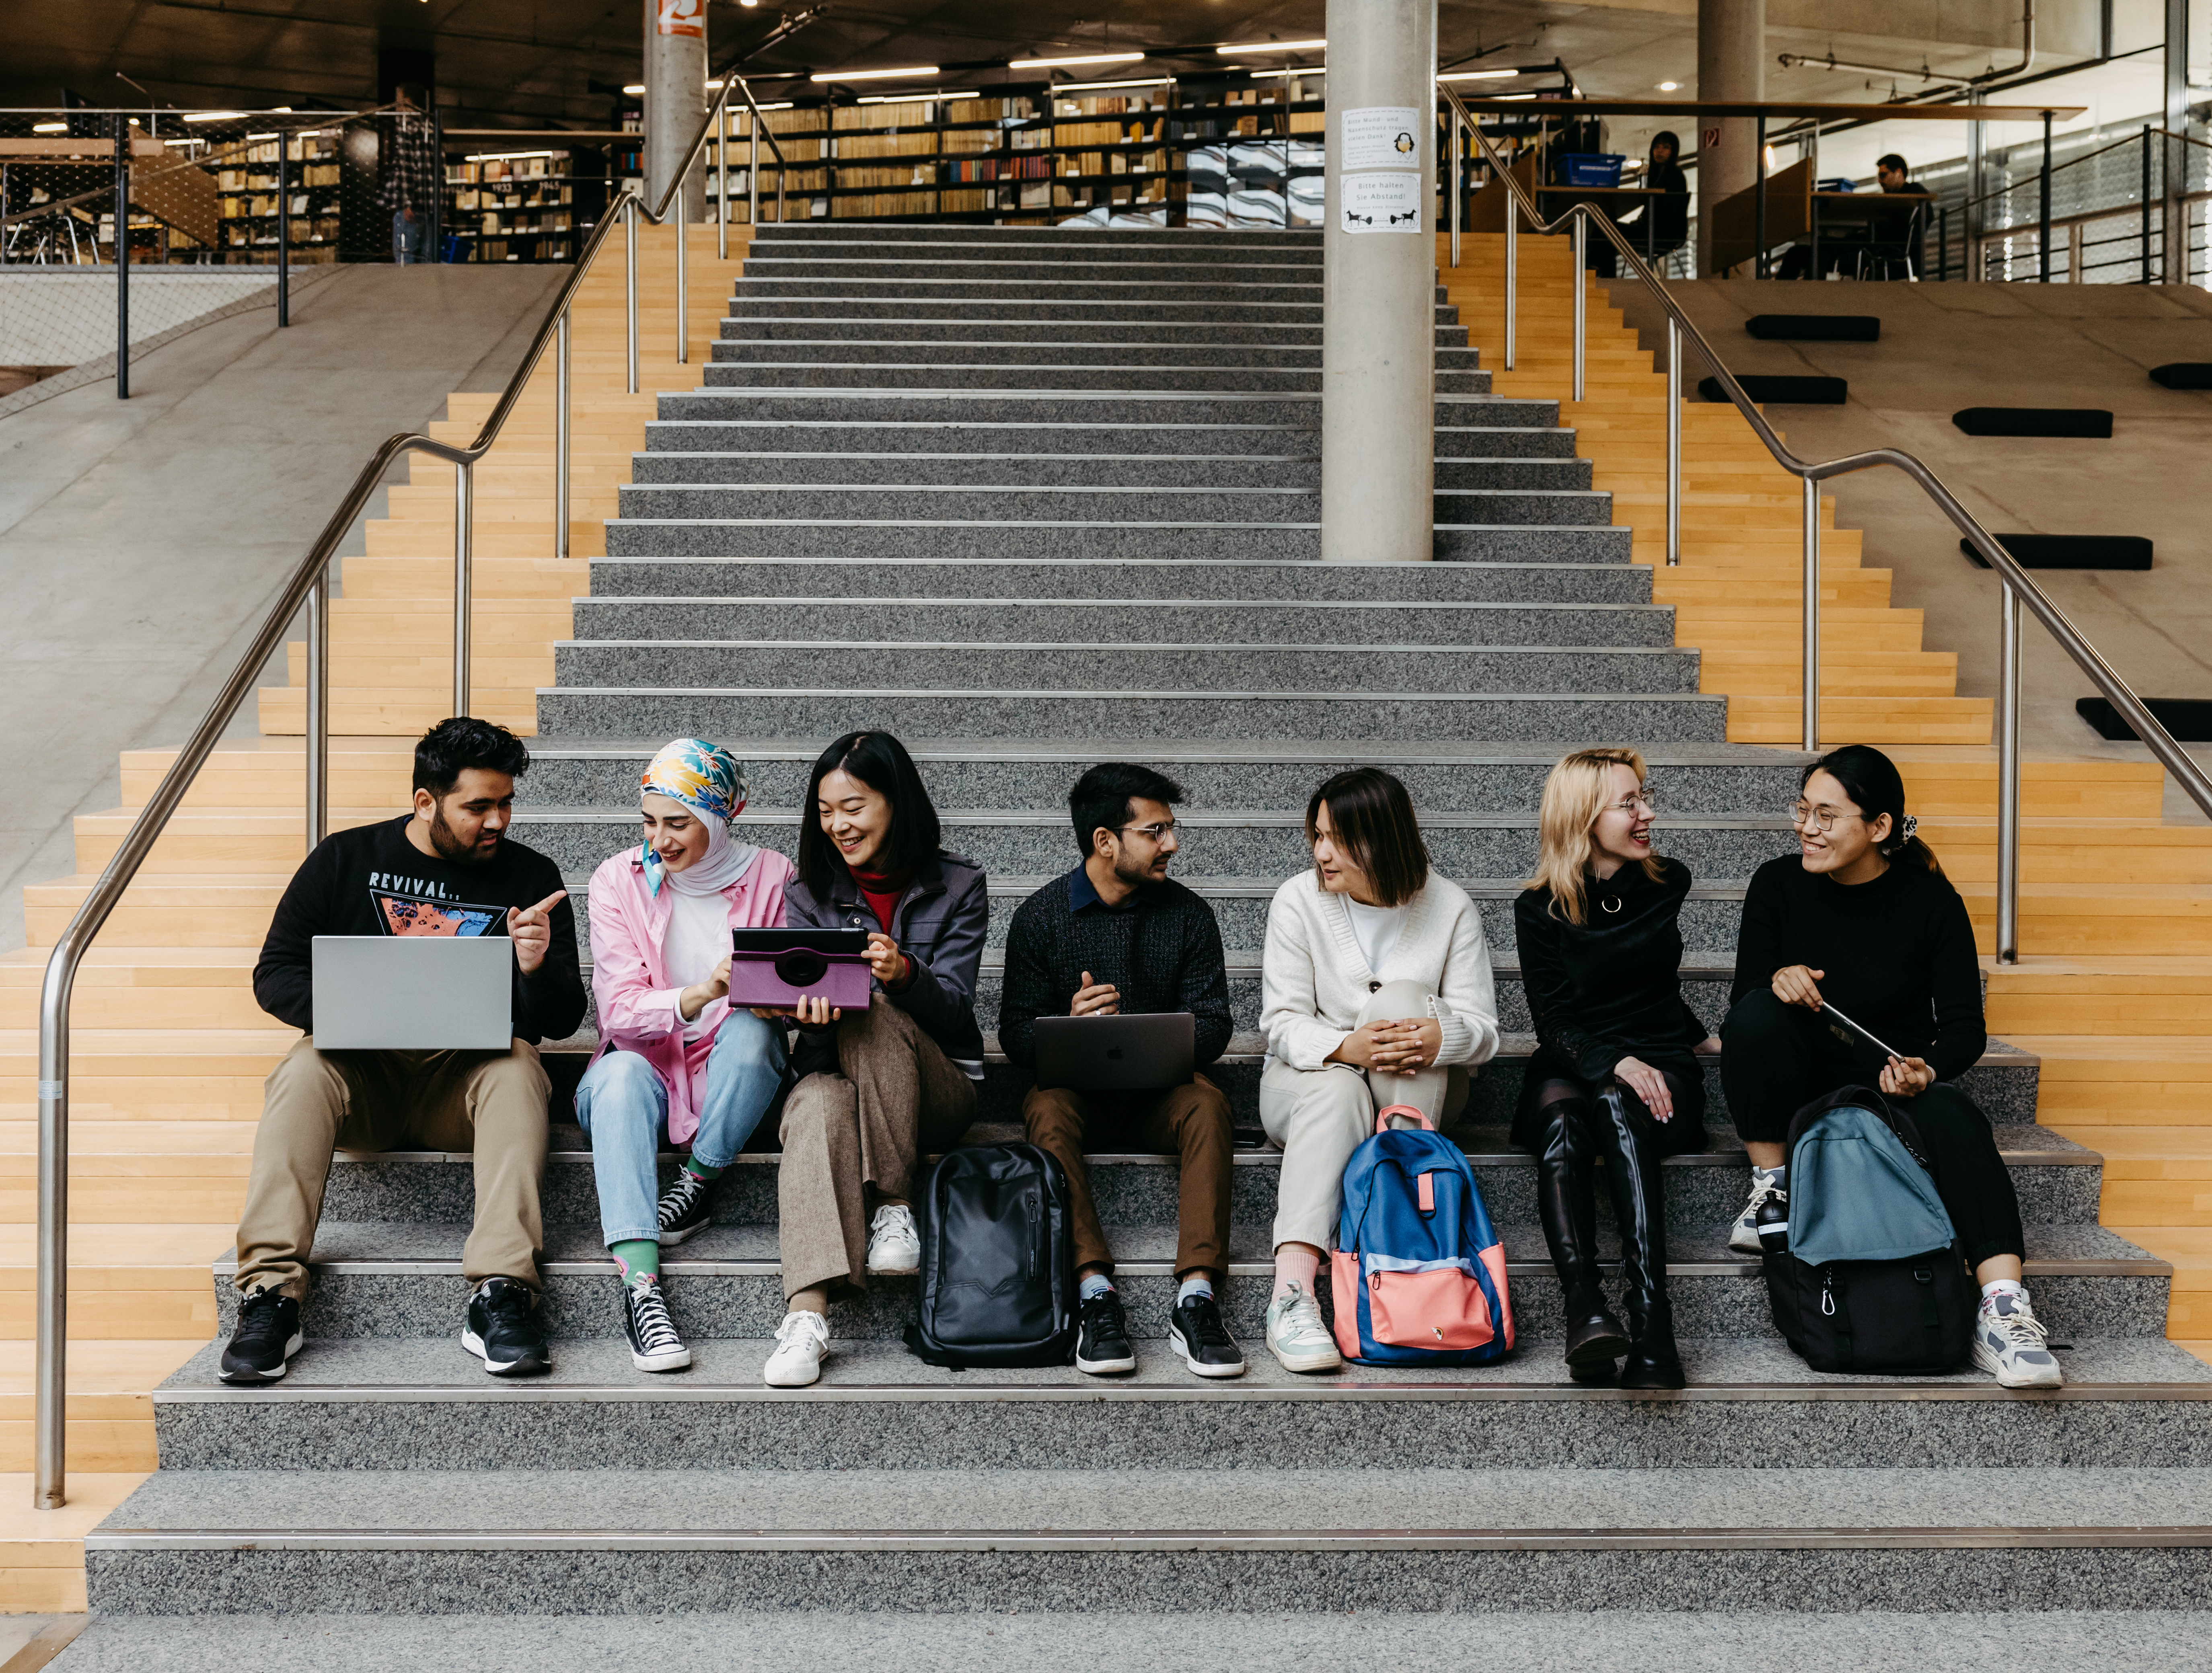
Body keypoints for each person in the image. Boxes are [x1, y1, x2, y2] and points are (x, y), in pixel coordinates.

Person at [219, 717, 584, 1384]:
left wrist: (536, 968)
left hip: (462, 1086)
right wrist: (358, 1013)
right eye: (478, 806)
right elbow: (274, 974)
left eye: (506, 803)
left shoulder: (532, 876)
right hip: (367, 1082)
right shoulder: (344, 859)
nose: (497, 821)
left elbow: (562, 1021)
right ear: (425, 802)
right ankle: (270, 1294)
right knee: (304, 1067)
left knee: (518, 1066)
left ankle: (502, 1291)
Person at [1722, 744, 2062, 1389]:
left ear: (1879, 826)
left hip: (1891, 1089)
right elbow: (1743, 1003)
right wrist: (1777, 979)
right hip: (1800, 1091)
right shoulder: (1777, 884)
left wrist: (1926, 1070)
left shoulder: (1931, 902)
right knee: (1757, 1013)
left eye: (1826, 815)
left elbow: (1964, 1029)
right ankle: (1773, 1187)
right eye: (1802, 810)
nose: (1807, 828)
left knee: (1957, 1116)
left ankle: (2003, 1310)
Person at [999, 764, 1241, 1380]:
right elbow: (1015, 1035)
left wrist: (1145, 1035)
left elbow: (1215, 1024)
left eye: (1170, 828)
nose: (1171, 844)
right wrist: (1069, 1024)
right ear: (1105, 840)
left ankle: (1197, 1297)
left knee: (1210, 1103)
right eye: (1155, 831)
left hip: (1164, 1098)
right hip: (1078, 1100)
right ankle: (1095, 1294)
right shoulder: (1040, 918)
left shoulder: (1189, 916)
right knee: (1044, 1106)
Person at [1258, 768, 1502, 1375]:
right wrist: (1348, 1048)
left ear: (1382, 839)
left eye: (1338, 840)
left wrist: (1442, 1037)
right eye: (1317, 836)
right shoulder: (1297, 900)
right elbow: (1281, 1023)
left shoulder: (1449, 906)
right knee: (1339, 1090)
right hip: (1307, 1087)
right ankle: (1292, 1296)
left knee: (1404, 1004)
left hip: (1417, 1087)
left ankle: (1403, 1267)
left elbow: (1485, 1032)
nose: (1321, 853)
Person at [764, 731, 987, 1387]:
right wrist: (803, 1014)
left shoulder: (959, 884)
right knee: (815, 1102)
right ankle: (806, 1317)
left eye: (854, 807)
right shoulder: (808, 894)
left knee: (877, 1002)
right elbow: (797, 1005)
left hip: (938, 1089)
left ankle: (894, 1201)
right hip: (838, 1073)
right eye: (826, 811)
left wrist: (906, 973)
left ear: (897, 802)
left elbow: (957, 1009)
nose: (838, 825)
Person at [574, 740, 794, 1374]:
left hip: (735, 1077)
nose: (659, 840)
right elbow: (619, 1012)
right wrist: (702, 992)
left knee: (754, 1029)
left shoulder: (775, 875)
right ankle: (641, 1289)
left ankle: (698, 1181)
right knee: (619, 1073)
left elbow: (787, 987)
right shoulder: (617, 879)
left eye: (678, 823)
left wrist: (778, 1001)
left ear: (723, 816)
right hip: (639, 1071)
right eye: (649, 821)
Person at [1514, 748, 1713, 1389]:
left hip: (1659, 1060)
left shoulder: (1667, 883)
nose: (1647, 813)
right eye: (1629, 803)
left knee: (1614, 1101)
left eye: (1644, 798)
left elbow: (1648, 982)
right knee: (1564, 1121)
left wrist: (1695, 1040)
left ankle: (1653, 1328)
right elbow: (1554, 1021)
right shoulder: (1539, 907)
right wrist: (1614, 1061)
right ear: (1583, 817)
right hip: (1575, 1057)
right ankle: (1586, 1309)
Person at [1595, 130, 1688, 279]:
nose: (1660, 151)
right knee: (1606, 228)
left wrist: (1641, 224)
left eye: (1666, 147)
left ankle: (1601, 272)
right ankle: (1602, 272)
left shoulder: (1674, 176)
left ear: (1674, 151)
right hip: (1658, 231)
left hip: (1662, 234)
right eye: (1657, 147)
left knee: (1605, 229)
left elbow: (1665, 211)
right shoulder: (1657, 175)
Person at [378, 86, 440, 265]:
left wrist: (406, 203)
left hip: (411, 207)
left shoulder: (406, 128)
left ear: (408, 102)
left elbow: (405, 167)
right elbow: (440, 170)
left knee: (405, 259)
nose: (396, 107)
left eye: (399, 101)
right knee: (428, 260)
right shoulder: (432, 129)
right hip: (431, 208)